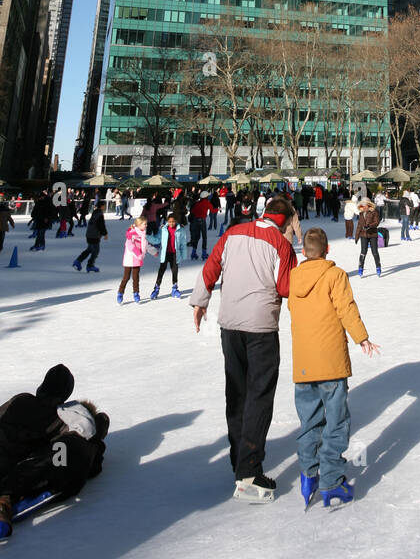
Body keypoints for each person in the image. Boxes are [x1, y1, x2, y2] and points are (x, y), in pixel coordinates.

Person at [190, 194, 297, 502]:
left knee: (236, 392)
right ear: (286, 220)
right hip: (260, 326)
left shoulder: (232, 232)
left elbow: (211, 266)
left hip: (230, 323)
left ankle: (239, 460)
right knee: (259, 395)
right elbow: (286, 287)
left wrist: (200, 300)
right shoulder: (281, 244)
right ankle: (249, 474)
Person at [0, 364, 108, 532]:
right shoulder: (60, 421)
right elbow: (57, 454)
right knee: (11, 451)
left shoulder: (22, 399)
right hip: (3, 471)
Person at [288, 226, 380, 509]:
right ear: (327, 250)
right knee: (336, 422)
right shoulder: (335, 275)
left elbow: (293, 309)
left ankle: (308, 474)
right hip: (331, 363)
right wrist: (361, 337)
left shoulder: (294, 276)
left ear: (304, 251)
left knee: (309, 422)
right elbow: (346, 308)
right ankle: (331, 481)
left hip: (303, 364)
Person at [151, 210, 188, 298]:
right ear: (167, 221)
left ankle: (175, 288)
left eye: (173, 221)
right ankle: (156, 288)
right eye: (169, 221)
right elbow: (157, 239)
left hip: (175, 254)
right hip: (165, 253)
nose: (171, 223)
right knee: (161, 271)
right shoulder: (163, 229)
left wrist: (184, 254)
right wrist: (147, 237)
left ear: (176, 221)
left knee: (175, 271)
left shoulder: (181, 230)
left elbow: (183, 243)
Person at [117, 216, 153, 304]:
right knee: (126, 277)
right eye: (145, 224)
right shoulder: (131, 233)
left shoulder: (143, 234)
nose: (146, 226)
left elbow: (146, 245)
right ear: (139, 225)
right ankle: (120, 293)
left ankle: (136, 293)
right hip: (129, 259)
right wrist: (138, 254)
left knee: (136, 277)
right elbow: (130, 245)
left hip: (137, 259)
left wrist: (154, 251)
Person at [73, 200, 108, 272]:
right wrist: (105, 234)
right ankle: (90, 265)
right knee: (95, 251)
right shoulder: (99, 214)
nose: (104, 207)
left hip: (89, 234)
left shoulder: (95, 213)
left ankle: (78, 261)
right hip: (94, 235)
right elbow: (101, 225)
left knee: (89, 249)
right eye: (104, 205)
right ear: (102, 206)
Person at [354, 196, 381, 277]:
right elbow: (359, 225)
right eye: (361, 205)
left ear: (368, 205)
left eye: (364, 205)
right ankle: (360, 268)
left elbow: (376, 222)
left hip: (372, 234)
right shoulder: (361, 214)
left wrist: (369, 226)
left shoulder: (374, 212)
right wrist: (357, 236)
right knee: (363, 252)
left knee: (374, 252)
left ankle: (378, 267)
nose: (363, 207)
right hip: (364, 235)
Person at [189, 190, 212, 260]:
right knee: (204, 237)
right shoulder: (207, 202)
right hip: (202, 221)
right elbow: (213, 210)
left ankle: (193, 253)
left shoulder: (197, 203)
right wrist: (217, 209)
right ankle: (204, 253)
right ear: (206, 197)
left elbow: (193, 211)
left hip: (196, 221)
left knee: (197, 237)